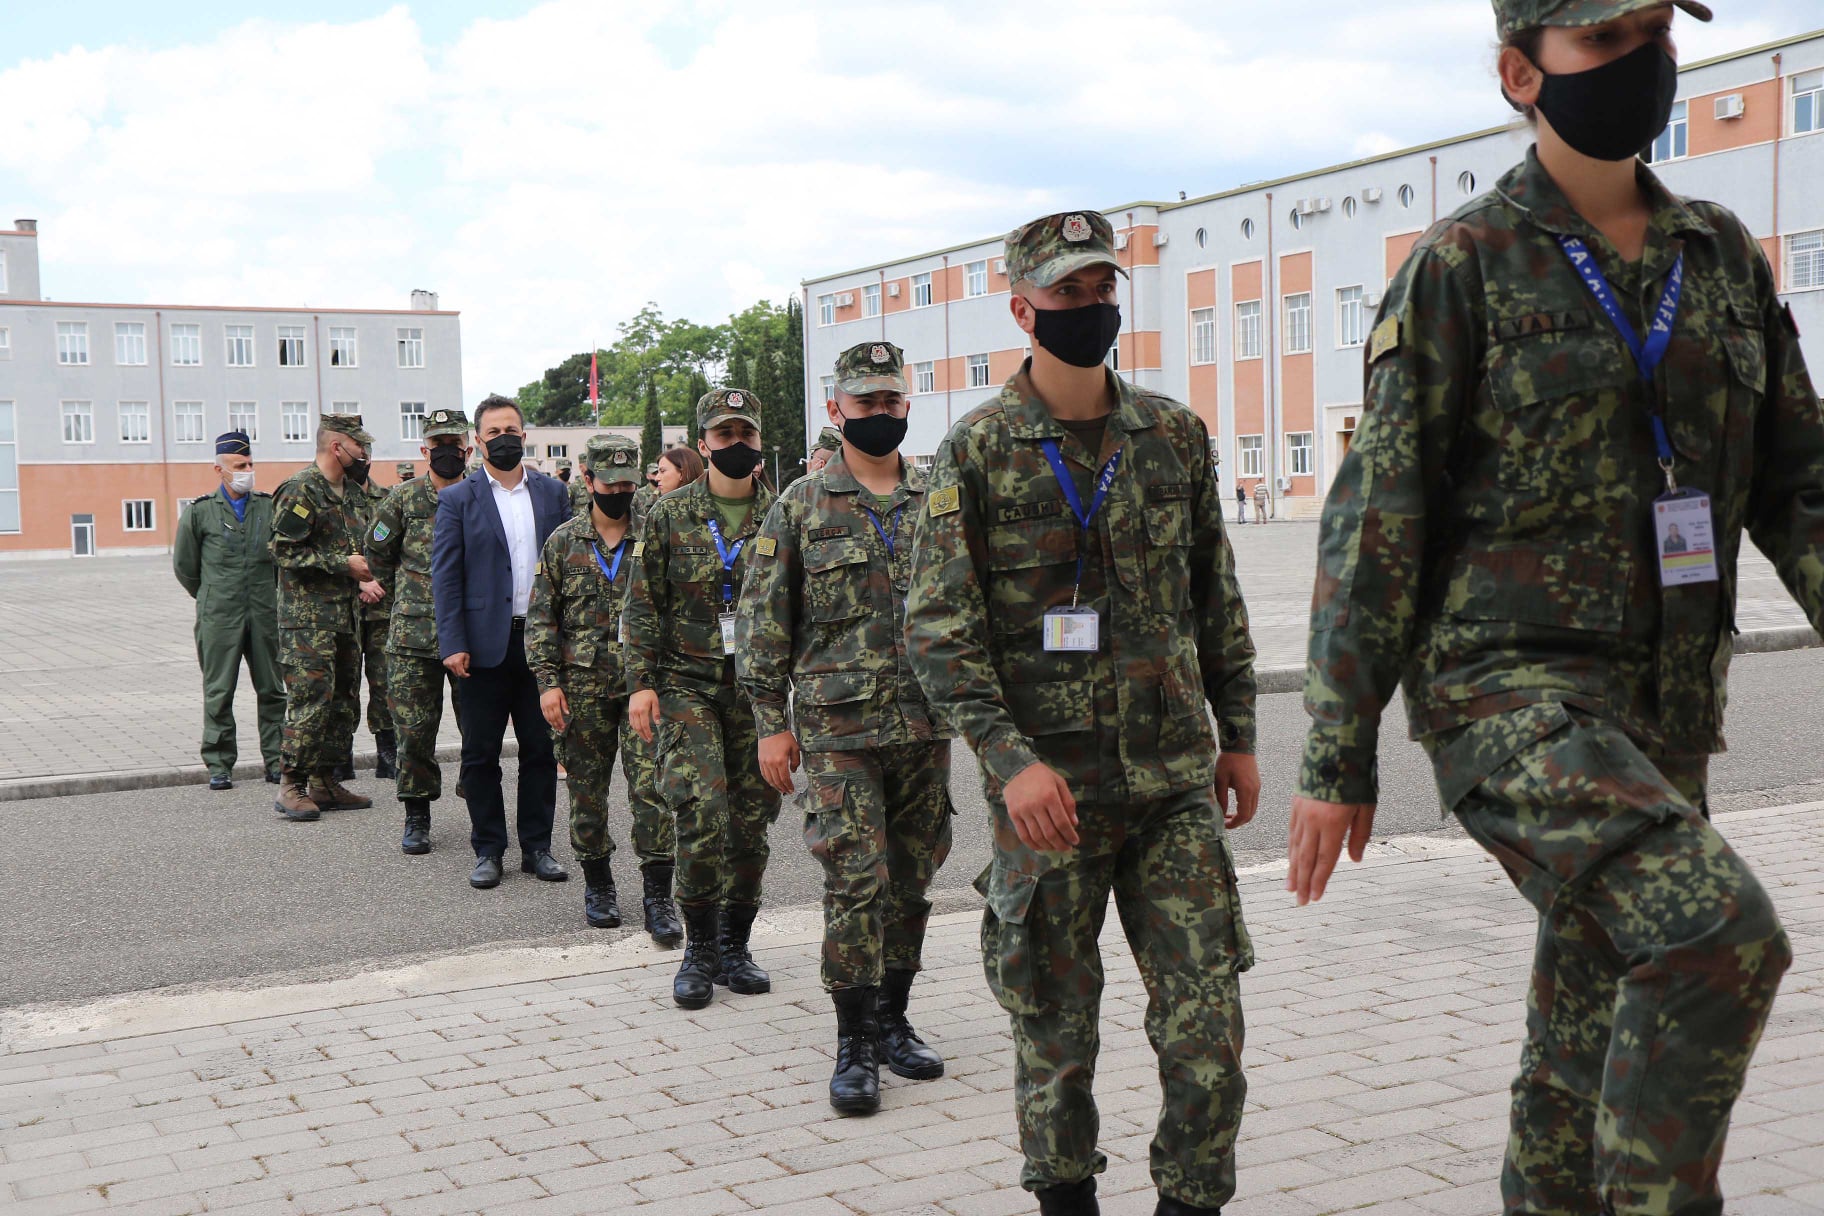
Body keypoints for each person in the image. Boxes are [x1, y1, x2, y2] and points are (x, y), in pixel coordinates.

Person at [1286, 4, 1810, 1213]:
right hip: (1505, 693)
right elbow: (1379, 517)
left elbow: (1801, 481)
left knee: (1587, 1023)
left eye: (1650, 34)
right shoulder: (1462, 262)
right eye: (1604, 42)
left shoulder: (1719, 257)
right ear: (1524, 73)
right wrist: (1335, 749)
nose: (1643, 64)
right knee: (1712, 937)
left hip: (1664, 706)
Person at [905, 210, 1260, 1216]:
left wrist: (1239, 734)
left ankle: (1191, 1203)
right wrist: (1011, 761)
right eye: (1068, 293)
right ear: (1022, 308)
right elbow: (938, 632)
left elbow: (1215, 597)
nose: (1091, 307)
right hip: (1047, 800)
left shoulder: (1172, 435)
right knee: (1055, 1036)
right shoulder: (974, 453)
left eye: (1103, 289)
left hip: (1168, 792)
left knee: (1207, 1028)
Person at [738, 341, 954, 1116]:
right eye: (865, 404)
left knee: (914, 879)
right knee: (856, 880)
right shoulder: (798, 503)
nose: (881, 415)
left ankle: (895, 1019)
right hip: (838, 733)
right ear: (837, 411)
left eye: (892, 402)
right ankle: (853, 1043)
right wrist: (770, 724)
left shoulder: (941, 498)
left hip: (925, 726)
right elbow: (764, 626)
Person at [625, 389, 779, 1010]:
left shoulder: (784, 513)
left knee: (751, 821)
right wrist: (640, 683)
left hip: (759, 688)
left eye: (745, 433)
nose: (735, 444)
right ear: (705, 441)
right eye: (723, 435)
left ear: (760, 442)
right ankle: (698, 949)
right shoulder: (670, 513)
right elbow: (641, 604)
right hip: (686, 682)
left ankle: (736, 945)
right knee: (701, 809)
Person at [527, 434, 682, 942]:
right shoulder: (563, 542)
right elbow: (541, 619)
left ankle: (659, 897)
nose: (620, 491)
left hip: (644, 691)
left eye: (629, 483)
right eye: (610, 483)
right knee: (587, 795)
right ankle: (598, 887)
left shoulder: (655, 536)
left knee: (652, 793)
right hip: (582, 690)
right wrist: (548, 684)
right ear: (588, 481)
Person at [432, 394, 573, 890]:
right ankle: (488, 849)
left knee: (540, 749)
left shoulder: (553, 494)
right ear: (477, 442)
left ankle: (538, 847)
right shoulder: (457, 499)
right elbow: (445, 579)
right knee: (480, 754)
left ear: (524, 433)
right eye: (493, 433)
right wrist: (451, 642)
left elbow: (568, 570)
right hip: (481, 647)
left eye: (511, 429)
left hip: (540, 646)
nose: (504, 439)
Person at [368, 407, 473, 855]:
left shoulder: (480, 496)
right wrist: (407, 602)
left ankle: (481, 810)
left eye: (455, 444)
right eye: (439, 445)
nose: (447, 452)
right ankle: (416, 815)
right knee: (414, 731)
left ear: (467, 448)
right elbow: (376, 556)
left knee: (479, 731)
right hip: (413, 640)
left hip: (471, 635)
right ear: (424, 449)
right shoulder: (403, 499)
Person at [269, 414, 382, 821]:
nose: (366, 454)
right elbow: (283, 550)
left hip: (345, 617)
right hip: (307, 622)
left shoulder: (350, 493)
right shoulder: (302, 490)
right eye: (360, 447)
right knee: (310, 702)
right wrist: (342, 565)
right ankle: (291, 785)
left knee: (343, 702)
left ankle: (324, 781)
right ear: (338, 447)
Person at [173, 431, 283, 790]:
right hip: (219, 616)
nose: (247, 471)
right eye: (239, 466)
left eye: (250, 464)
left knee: (272, 689)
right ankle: (219, 763)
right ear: (218, 469)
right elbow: (186, 568)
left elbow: (281, 561)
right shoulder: (200, 512)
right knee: (219, 691)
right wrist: (212, 597)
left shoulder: (268, 507)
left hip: (264, 612)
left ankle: (277, 760)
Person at [352, 457, 397, 781]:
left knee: (385, 684)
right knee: (343, 685)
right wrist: (358, 582)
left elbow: (403, 551)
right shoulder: (330, 500)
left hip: (382, 609)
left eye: (366, 455)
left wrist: (378, 582)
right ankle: (339, 756)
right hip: (345, 610)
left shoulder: (387, 500)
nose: (361, 461)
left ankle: (387, 752)